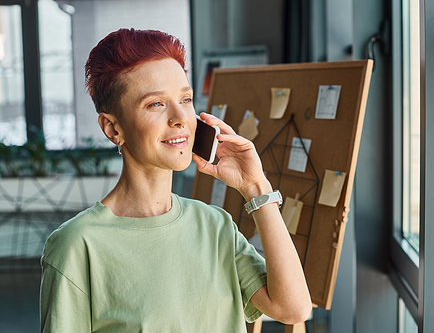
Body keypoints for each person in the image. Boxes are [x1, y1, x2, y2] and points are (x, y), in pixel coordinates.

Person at [40, 28, 311, 332]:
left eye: (185, 99)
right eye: (156, 103)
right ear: (113, 128)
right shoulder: (78, 245)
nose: (180, 117)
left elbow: (293, 308)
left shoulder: (215, 226)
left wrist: (255, 187)